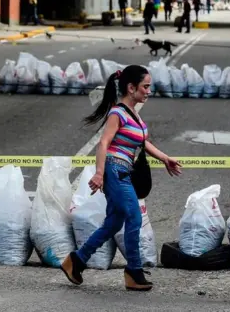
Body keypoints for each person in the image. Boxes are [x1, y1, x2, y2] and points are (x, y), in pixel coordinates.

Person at [61, 65, 182, 290]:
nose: (148, 91)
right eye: (145, 87)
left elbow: (141, 142)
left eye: (149, 87)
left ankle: (76, 261)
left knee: (113, 223)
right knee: (134, 218)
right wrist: (99, 174)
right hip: (115, 171)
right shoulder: (117, 113)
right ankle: (133, 272)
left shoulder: (133, 113)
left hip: (124, 172)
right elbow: (103, 143)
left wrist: (165, 158)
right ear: (130, 87)